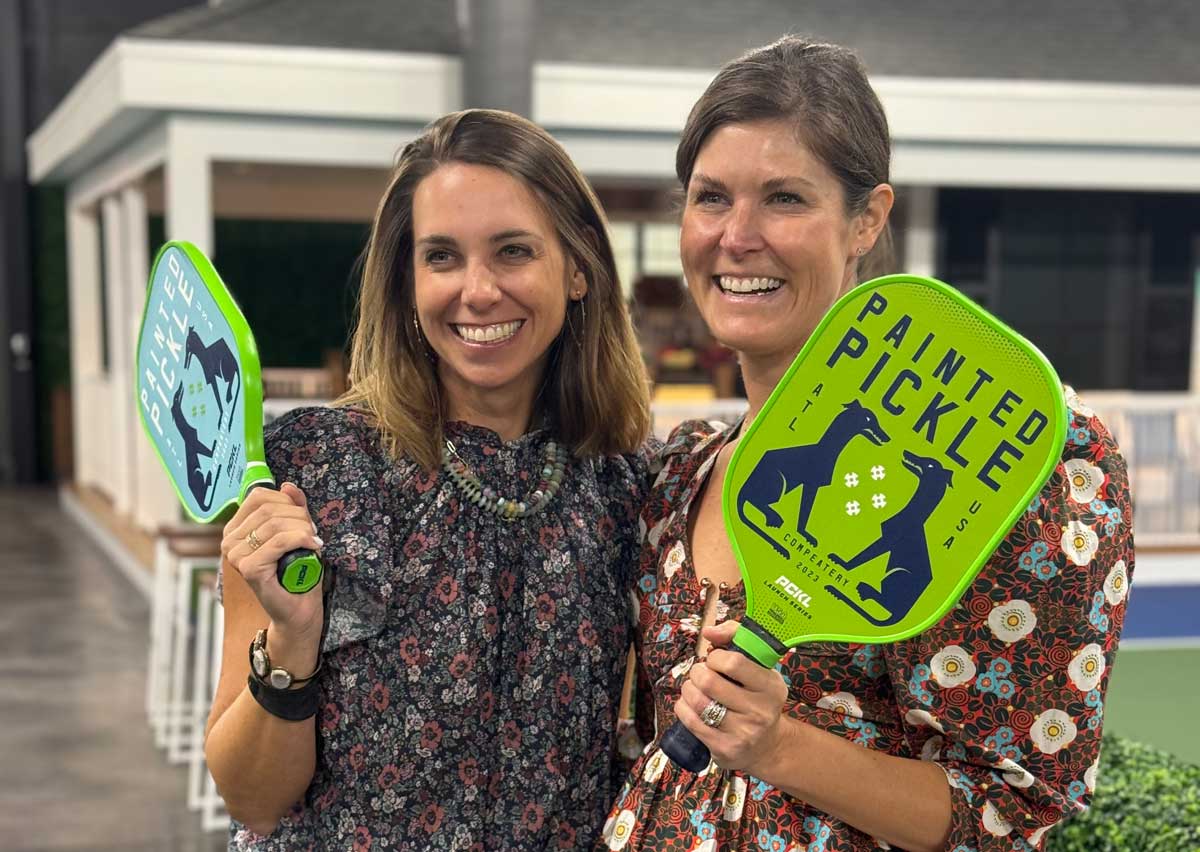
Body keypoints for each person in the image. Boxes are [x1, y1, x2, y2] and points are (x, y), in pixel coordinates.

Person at [600, 37, 1134, 852]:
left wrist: (780, 746)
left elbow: (1009, 812)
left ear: (867, 219)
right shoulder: (684, 469)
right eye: (711, 198)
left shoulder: (1007, 470)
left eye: (783, 199)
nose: (737, 236)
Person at [204, 108, 654, 850]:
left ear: (578, 269)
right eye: (441, 256)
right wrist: (293, 640)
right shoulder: (307, 473)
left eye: (513, 251)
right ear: (406, 281)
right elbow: (252, 800)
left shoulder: (624, 488)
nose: (477, 291)